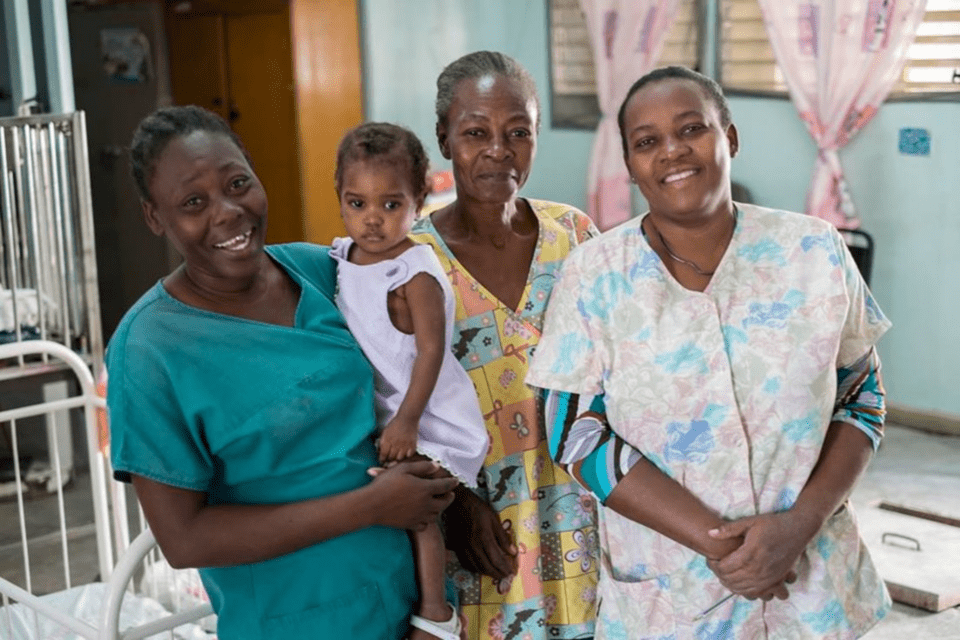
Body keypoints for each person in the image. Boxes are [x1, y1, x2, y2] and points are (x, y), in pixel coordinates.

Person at [526, 66, 892, 639]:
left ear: (731, 138)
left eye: (691, 129)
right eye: (647, 141)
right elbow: (574, 432)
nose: (672, 151)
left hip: (810, 577)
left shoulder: (814, 249)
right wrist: (724, 547)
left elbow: (861, 398)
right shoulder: (594, 275)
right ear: (630, 164)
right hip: (674, 593)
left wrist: (799, 526)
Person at [107, 105, 460, 639]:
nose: (227, 212)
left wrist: (436, 611)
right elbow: (184, 540)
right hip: (291, 621)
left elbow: (417, 359)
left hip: (410, 605)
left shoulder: (323, 271)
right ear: (156, 217)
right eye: (193, 203)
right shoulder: (150, 350)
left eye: (237, 183)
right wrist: (369, 507)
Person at [409, 51, 600, 639]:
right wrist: (457, 505)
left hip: (583, 517)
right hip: (481, 533)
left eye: (518, 132)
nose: (499, 149)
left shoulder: (575, 235)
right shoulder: (410, 263)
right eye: (475, 133)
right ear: (444, 139)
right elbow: (387, 400)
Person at [330, 121, 488, 640]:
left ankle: (436, 611)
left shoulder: (413, 270)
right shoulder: (342, 257)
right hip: (384, 408)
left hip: (427, 414)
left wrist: (407, 422)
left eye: (391, 205)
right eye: (357, 204)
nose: (372, 221)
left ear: (419, 199)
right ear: (341, 198)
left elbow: (431, 351)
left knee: (417, 507)